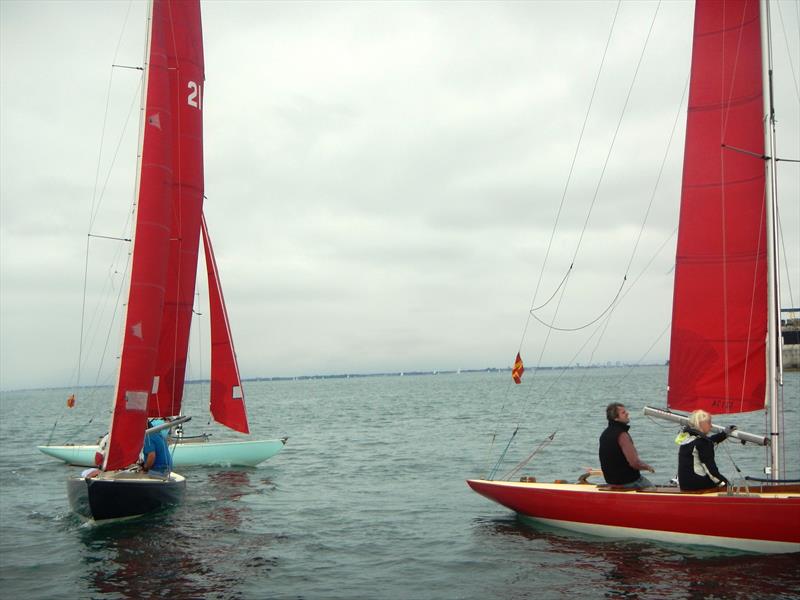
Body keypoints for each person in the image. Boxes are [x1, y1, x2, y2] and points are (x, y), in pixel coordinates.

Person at [599, 402, 655, 488]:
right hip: (628, 481)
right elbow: (634, 463)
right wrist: (648, 467)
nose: (627, 413)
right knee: (653, 490)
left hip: (611, 481)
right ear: (616, 418)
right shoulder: (622, 435)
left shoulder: (604, 434)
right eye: (623, 412)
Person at [676, 409, 732, 491]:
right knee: (725, 483)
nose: (711, 426)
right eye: (709, 423)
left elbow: (709, 441)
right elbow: (711, 471)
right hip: (698, 485)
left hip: (684, 484)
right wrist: (726, 484)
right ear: (701, 424)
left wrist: (724, 434)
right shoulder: (702, 443)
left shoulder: (687, 439)